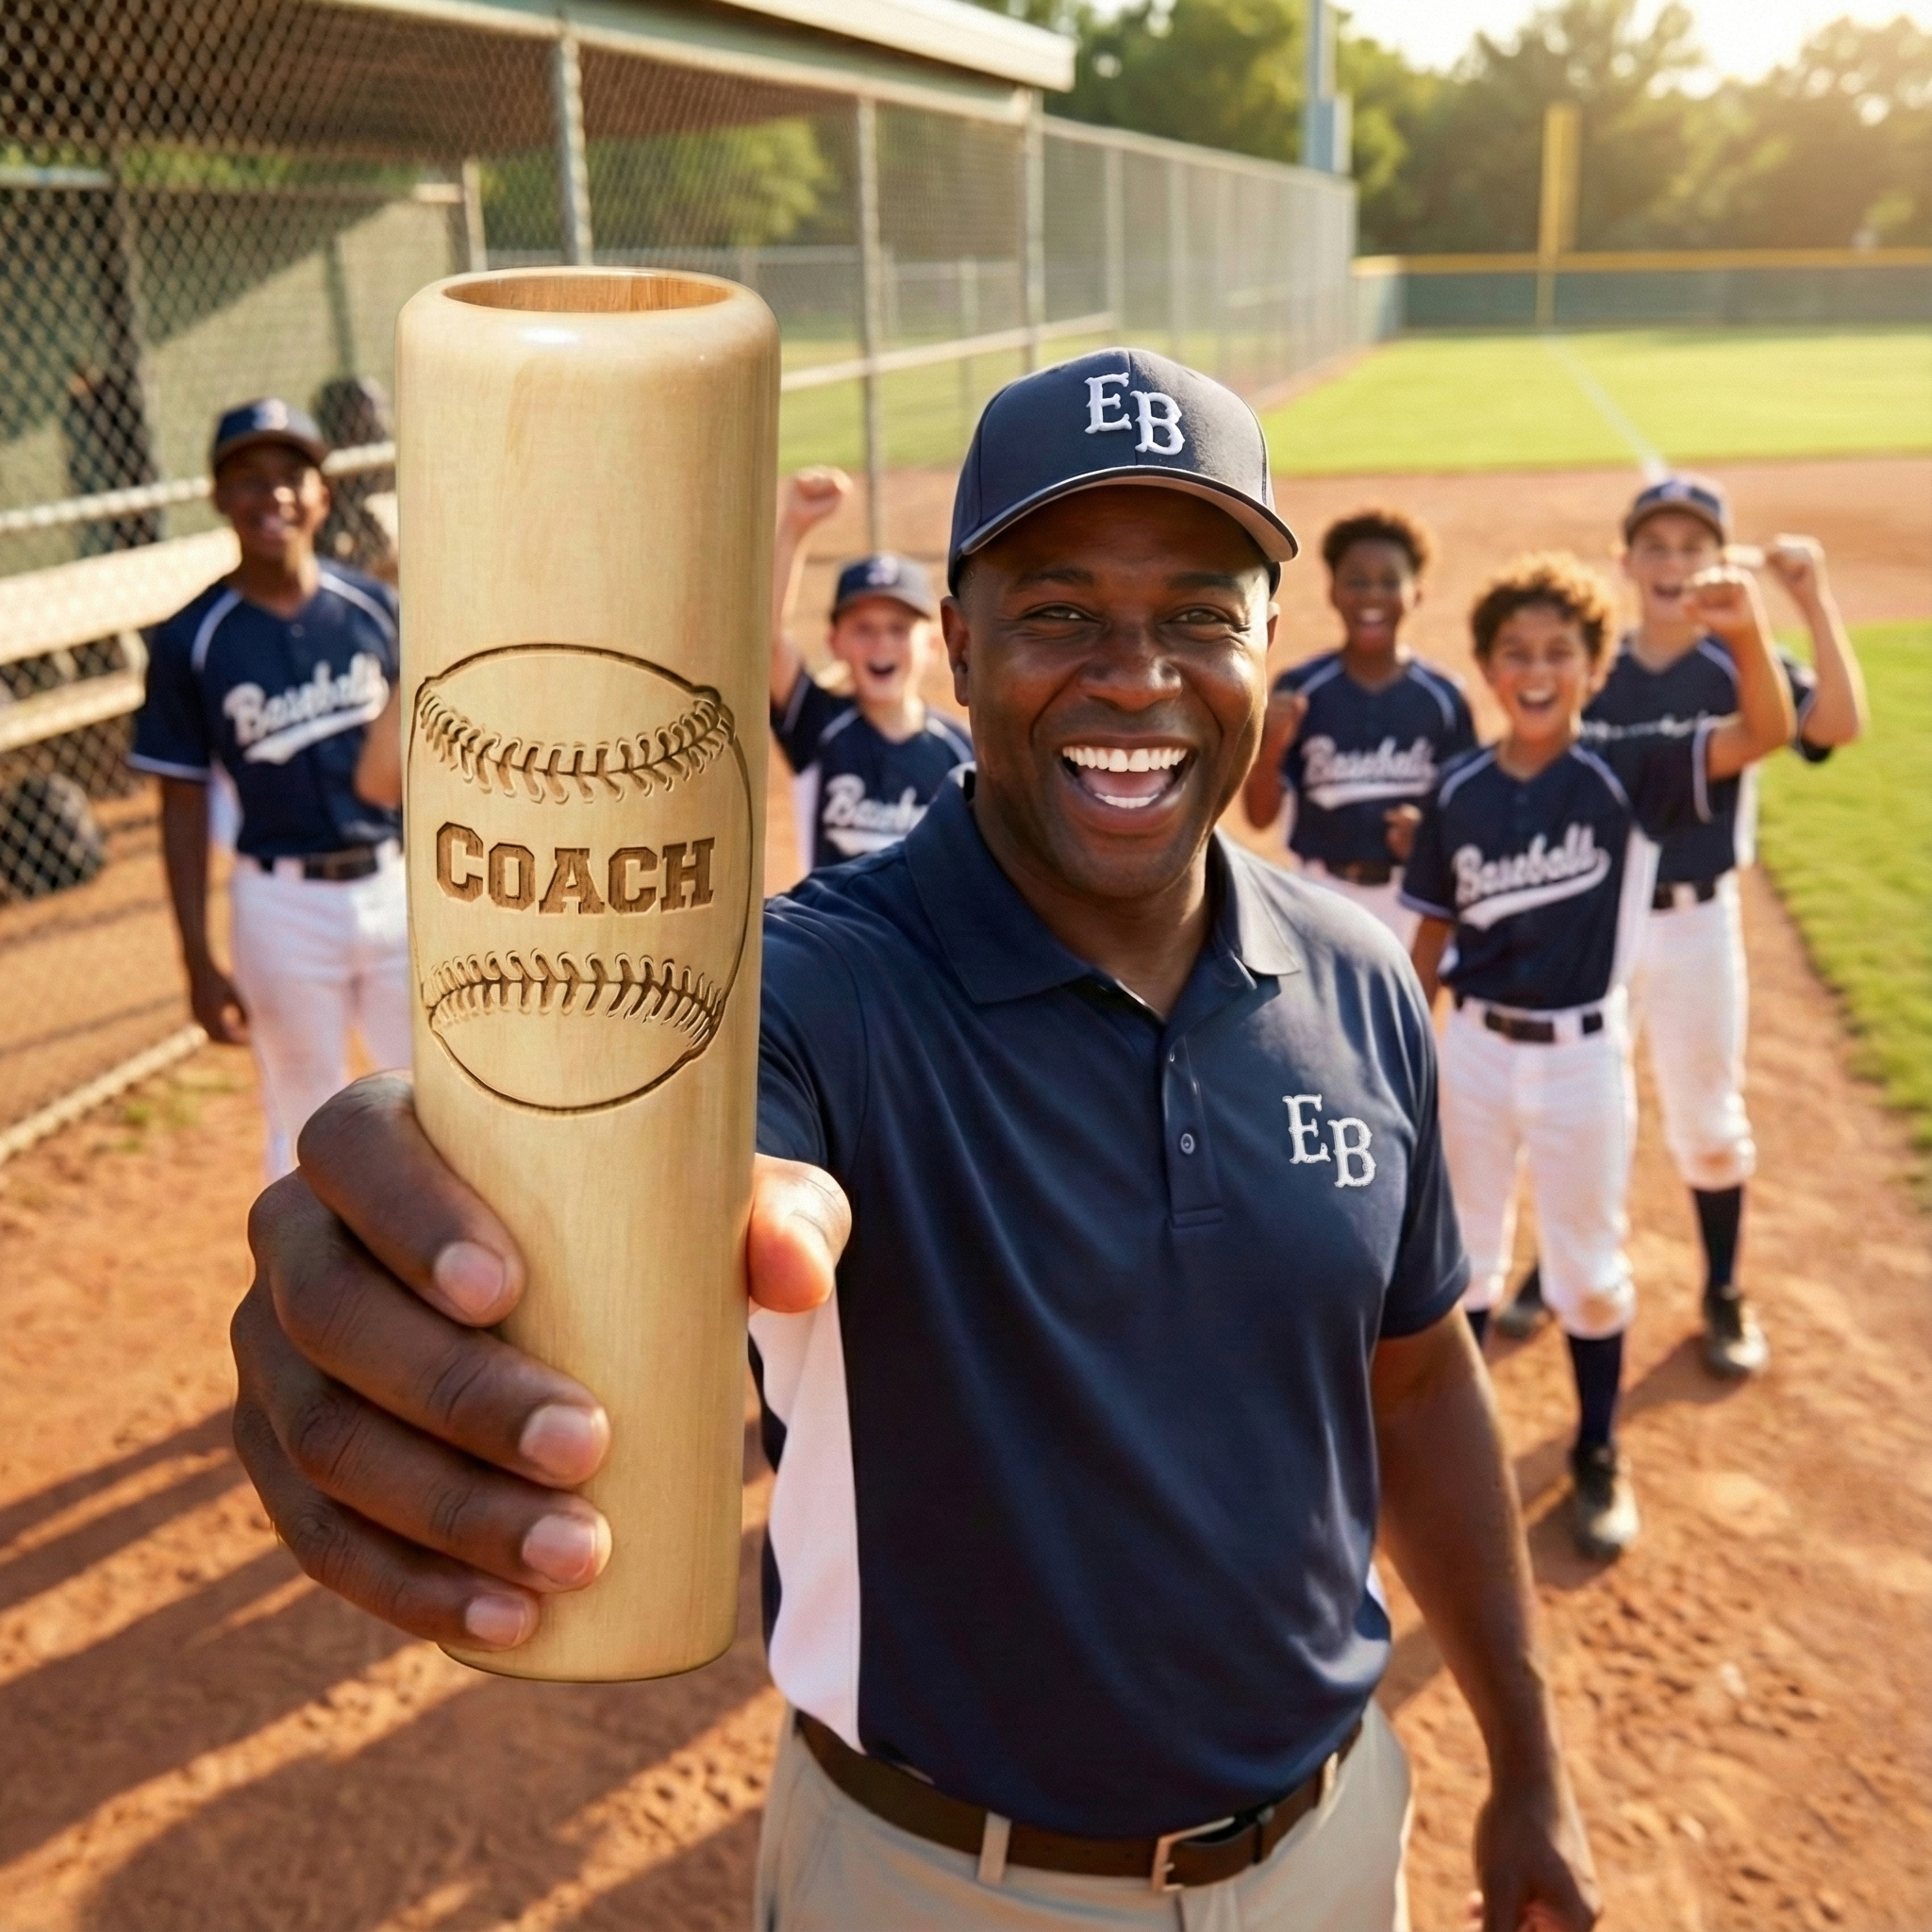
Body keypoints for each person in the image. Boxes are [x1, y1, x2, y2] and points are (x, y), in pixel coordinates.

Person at [231, 349, 1600, 1931]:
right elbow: (664, 1152)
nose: (1136, 672)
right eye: (1062, 611)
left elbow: (1418, 1377)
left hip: (1331, 1844)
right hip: (940, 1884)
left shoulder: (1357, 976)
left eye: (1198, 612)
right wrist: (436, 1243)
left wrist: (1525, 1754)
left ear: (1263, 646)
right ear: (955, 644)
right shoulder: (807, 985)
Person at [1401, 553, 1794, 1560]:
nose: (1536, 670)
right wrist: (1404, 1057)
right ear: (1488, 667)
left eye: (1558, 652)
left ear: (1590, 663)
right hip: (1478, 1051)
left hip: (1582, 1056)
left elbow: (1764, 731)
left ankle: (1596, 1447)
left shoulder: (1630, 764)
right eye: (1515, 652)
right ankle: (1468, 1464)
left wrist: (1746, 633)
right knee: (1471, 1261)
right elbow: (1431, 943)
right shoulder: (1458, 789)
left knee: (1585, 1265)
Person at [1491, 477, 1867, 1374]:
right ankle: (1565, 1259)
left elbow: (1837, 727)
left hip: (1697, 926)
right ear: (1625, 563)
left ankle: (1724, 1287)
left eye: (1690, 547)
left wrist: (1808, 601)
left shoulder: (1739, 661)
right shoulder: (1596, 664)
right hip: (1597, 924)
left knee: (1706, 1119)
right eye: (1653, 546)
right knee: (1583, 1101)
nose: (1671, 563)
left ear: (1718, 562)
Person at [130, 398, 408, 1178]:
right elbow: (181, 803)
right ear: (220, 499)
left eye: (292, 476)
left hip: (397, 883)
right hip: (282, 907)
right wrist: (196, 956)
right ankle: (312, 1294)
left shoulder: (373, 610)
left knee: (443, 1098)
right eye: (248, 479)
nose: (273, 496)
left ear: (322, 494)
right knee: (304, 1118)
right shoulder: (193, 639)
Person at [1241, 508, 1474, 945]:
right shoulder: (1302, 690)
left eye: (1390, 582)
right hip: (1318, 890)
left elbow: (1466, 817)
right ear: (1332, 591)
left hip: (1409, 895)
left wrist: (1427, 837)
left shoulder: (1444, 698)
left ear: (1417, 593)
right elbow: (1258, 817)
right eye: (1357, 580)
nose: (1373, 595)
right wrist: (1270, 748)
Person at [769, 464, 973, 874]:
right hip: (831, 935)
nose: (882, 644)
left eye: (899, 629)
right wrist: (795, 526)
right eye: (863, 629)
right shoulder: (819, 725)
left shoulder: (959, 751)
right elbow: (766, 638)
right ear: (835, 643)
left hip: (917, 940)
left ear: (934, 644)